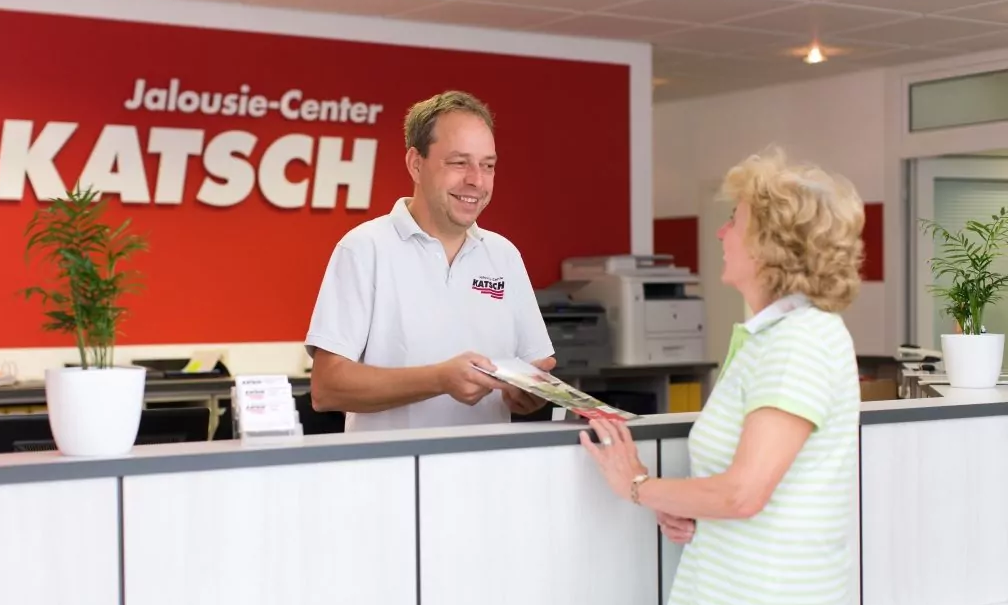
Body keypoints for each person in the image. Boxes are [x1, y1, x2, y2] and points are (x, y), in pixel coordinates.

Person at [581, 147, 864, 605]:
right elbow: (743, 492)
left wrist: (636, 485)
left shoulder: (801, 340)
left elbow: (743, 494)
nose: (721, 232)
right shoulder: (771, 337)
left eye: (734, 220)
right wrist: (684, 505)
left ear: (769, 244)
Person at [304, 91, 555, 432]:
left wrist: (530, 393)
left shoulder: (504, 255)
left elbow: (533, 368)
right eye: (459, 162)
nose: (476, 180)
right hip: (394, 465)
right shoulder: (364, 248)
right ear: (416, 164)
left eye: (488, 165)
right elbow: (327, 388)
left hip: (487, 463)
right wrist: (439, 380)